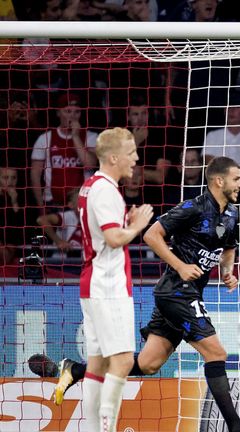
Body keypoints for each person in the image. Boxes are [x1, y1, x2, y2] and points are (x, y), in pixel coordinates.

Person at [41, 156, 240, 432]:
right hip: (176, 293)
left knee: (148, 364)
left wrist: (227, 272)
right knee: (216, 353)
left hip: (187, 294)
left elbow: (228, 247)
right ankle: (237, 427)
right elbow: (152, 235)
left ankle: (74, 369)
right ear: (218, 181)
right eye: (236, 178)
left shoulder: (232, 213)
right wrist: (180, 266)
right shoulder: (192, 208)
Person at [73, 127, 154, 432]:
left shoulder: (91, 185)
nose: (136, 158)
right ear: (114, 157)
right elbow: (113, 238)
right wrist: (137, 226)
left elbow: (105, 231)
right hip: (108, 285)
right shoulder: (106, 190)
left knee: (97, 364)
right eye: (131, 152)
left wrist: (124, 222)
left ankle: (94, 429)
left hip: (93, 281)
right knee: (122, 361)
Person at [30, 92, 98, 212]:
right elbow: (35, 175)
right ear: (58, 113)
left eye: (77, 112)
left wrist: (75, 136)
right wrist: (41, 207)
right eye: (68, 111)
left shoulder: (91, 137)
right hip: (52, 203)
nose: (73, 116)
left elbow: (90, 164)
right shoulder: (45, 138)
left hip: (83, 202)